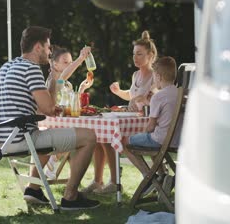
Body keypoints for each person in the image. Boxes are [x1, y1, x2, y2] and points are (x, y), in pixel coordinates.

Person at [0, 26, 100, 210]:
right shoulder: (31, 68)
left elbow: (30, 106)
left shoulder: (7, 66)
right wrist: (54, 82)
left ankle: (33, 189)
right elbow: (49, 108)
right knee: (89, 136)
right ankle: (71, 197)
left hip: (0, 138)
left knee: (44, 132)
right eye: (48, 47)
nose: (50, 52)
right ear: (37, 48)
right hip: (20, 139)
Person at [82, 30, 158, 194]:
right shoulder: (135, 75)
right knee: (104, 136)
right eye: (134, 54)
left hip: (150, 123)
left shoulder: (155, 76)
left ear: (151, 56)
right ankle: (106, 181)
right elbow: (131, 96)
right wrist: (118, 92)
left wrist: (143, 98)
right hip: (134, 120)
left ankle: (148, 177)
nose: (135, 58)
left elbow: (155, 98)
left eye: (139, 54)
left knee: (120, 140)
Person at [123, 56, 179, 197]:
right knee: (151, 140)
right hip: (177, 140)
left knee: (123, 141)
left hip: (161, 141)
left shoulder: (159, 96)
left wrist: (140, 133)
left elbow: (151, 127)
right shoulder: (179, 93)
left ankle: (149, 177)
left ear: (158, 76)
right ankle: (162, 175)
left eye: (154, 76)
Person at [44, 45, 94, 179]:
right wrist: (81, 59)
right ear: (54, 64)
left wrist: (82, 89)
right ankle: (52, 161)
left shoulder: (67, 84)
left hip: (66, 121)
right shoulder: (54, 81)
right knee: (84, 138)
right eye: (65, 62)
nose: (69, 65)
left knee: (88, 135)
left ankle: (59, 168)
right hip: (55, 126)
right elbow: (63, 77)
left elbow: (72, 103)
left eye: (70, 62)